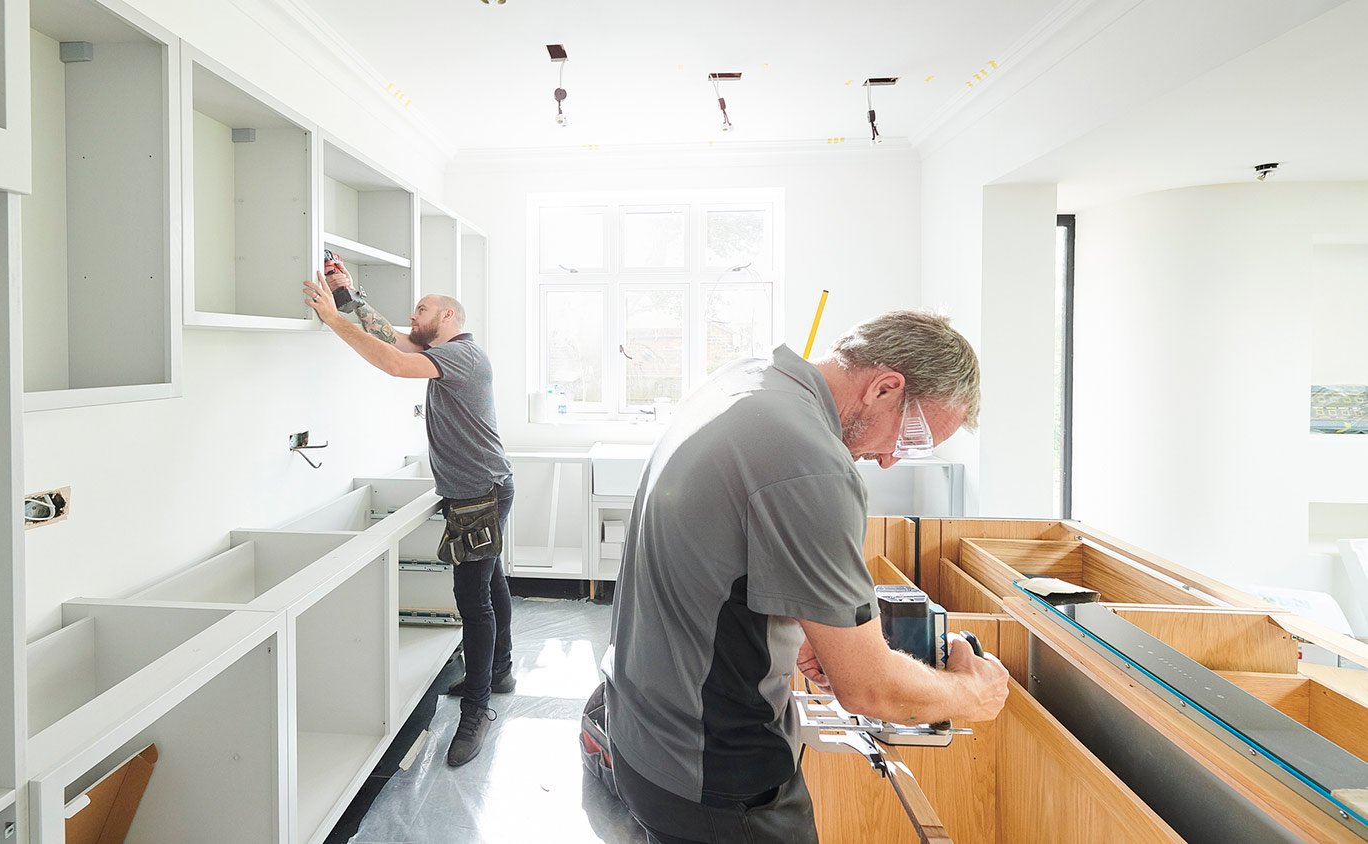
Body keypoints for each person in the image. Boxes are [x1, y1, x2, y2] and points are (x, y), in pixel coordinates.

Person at [603, 311, 1010, 843]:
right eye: (910, 438)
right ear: (885, 388)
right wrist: (970, 694)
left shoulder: (745, 381)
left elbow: (719, 548)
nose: (890, 460)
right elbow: (870, 689)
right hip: (719, 777)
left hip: (644, 737)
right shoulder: (811, 462)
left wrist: (800, 628)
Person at [304, 269, 514, 768]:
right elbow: (393, 339)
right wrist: (349, 298)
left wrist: (334, 320)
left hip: (480, 495)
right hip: (480, 489)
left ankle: (477, 710)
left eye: (421, 309)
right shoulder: (443, 353)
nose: (412, 316)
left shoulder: (462, 355)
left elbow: (396, 363)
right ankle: (501, 671)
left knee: (473, 600)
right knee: (492, 580)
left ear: (448, 316)